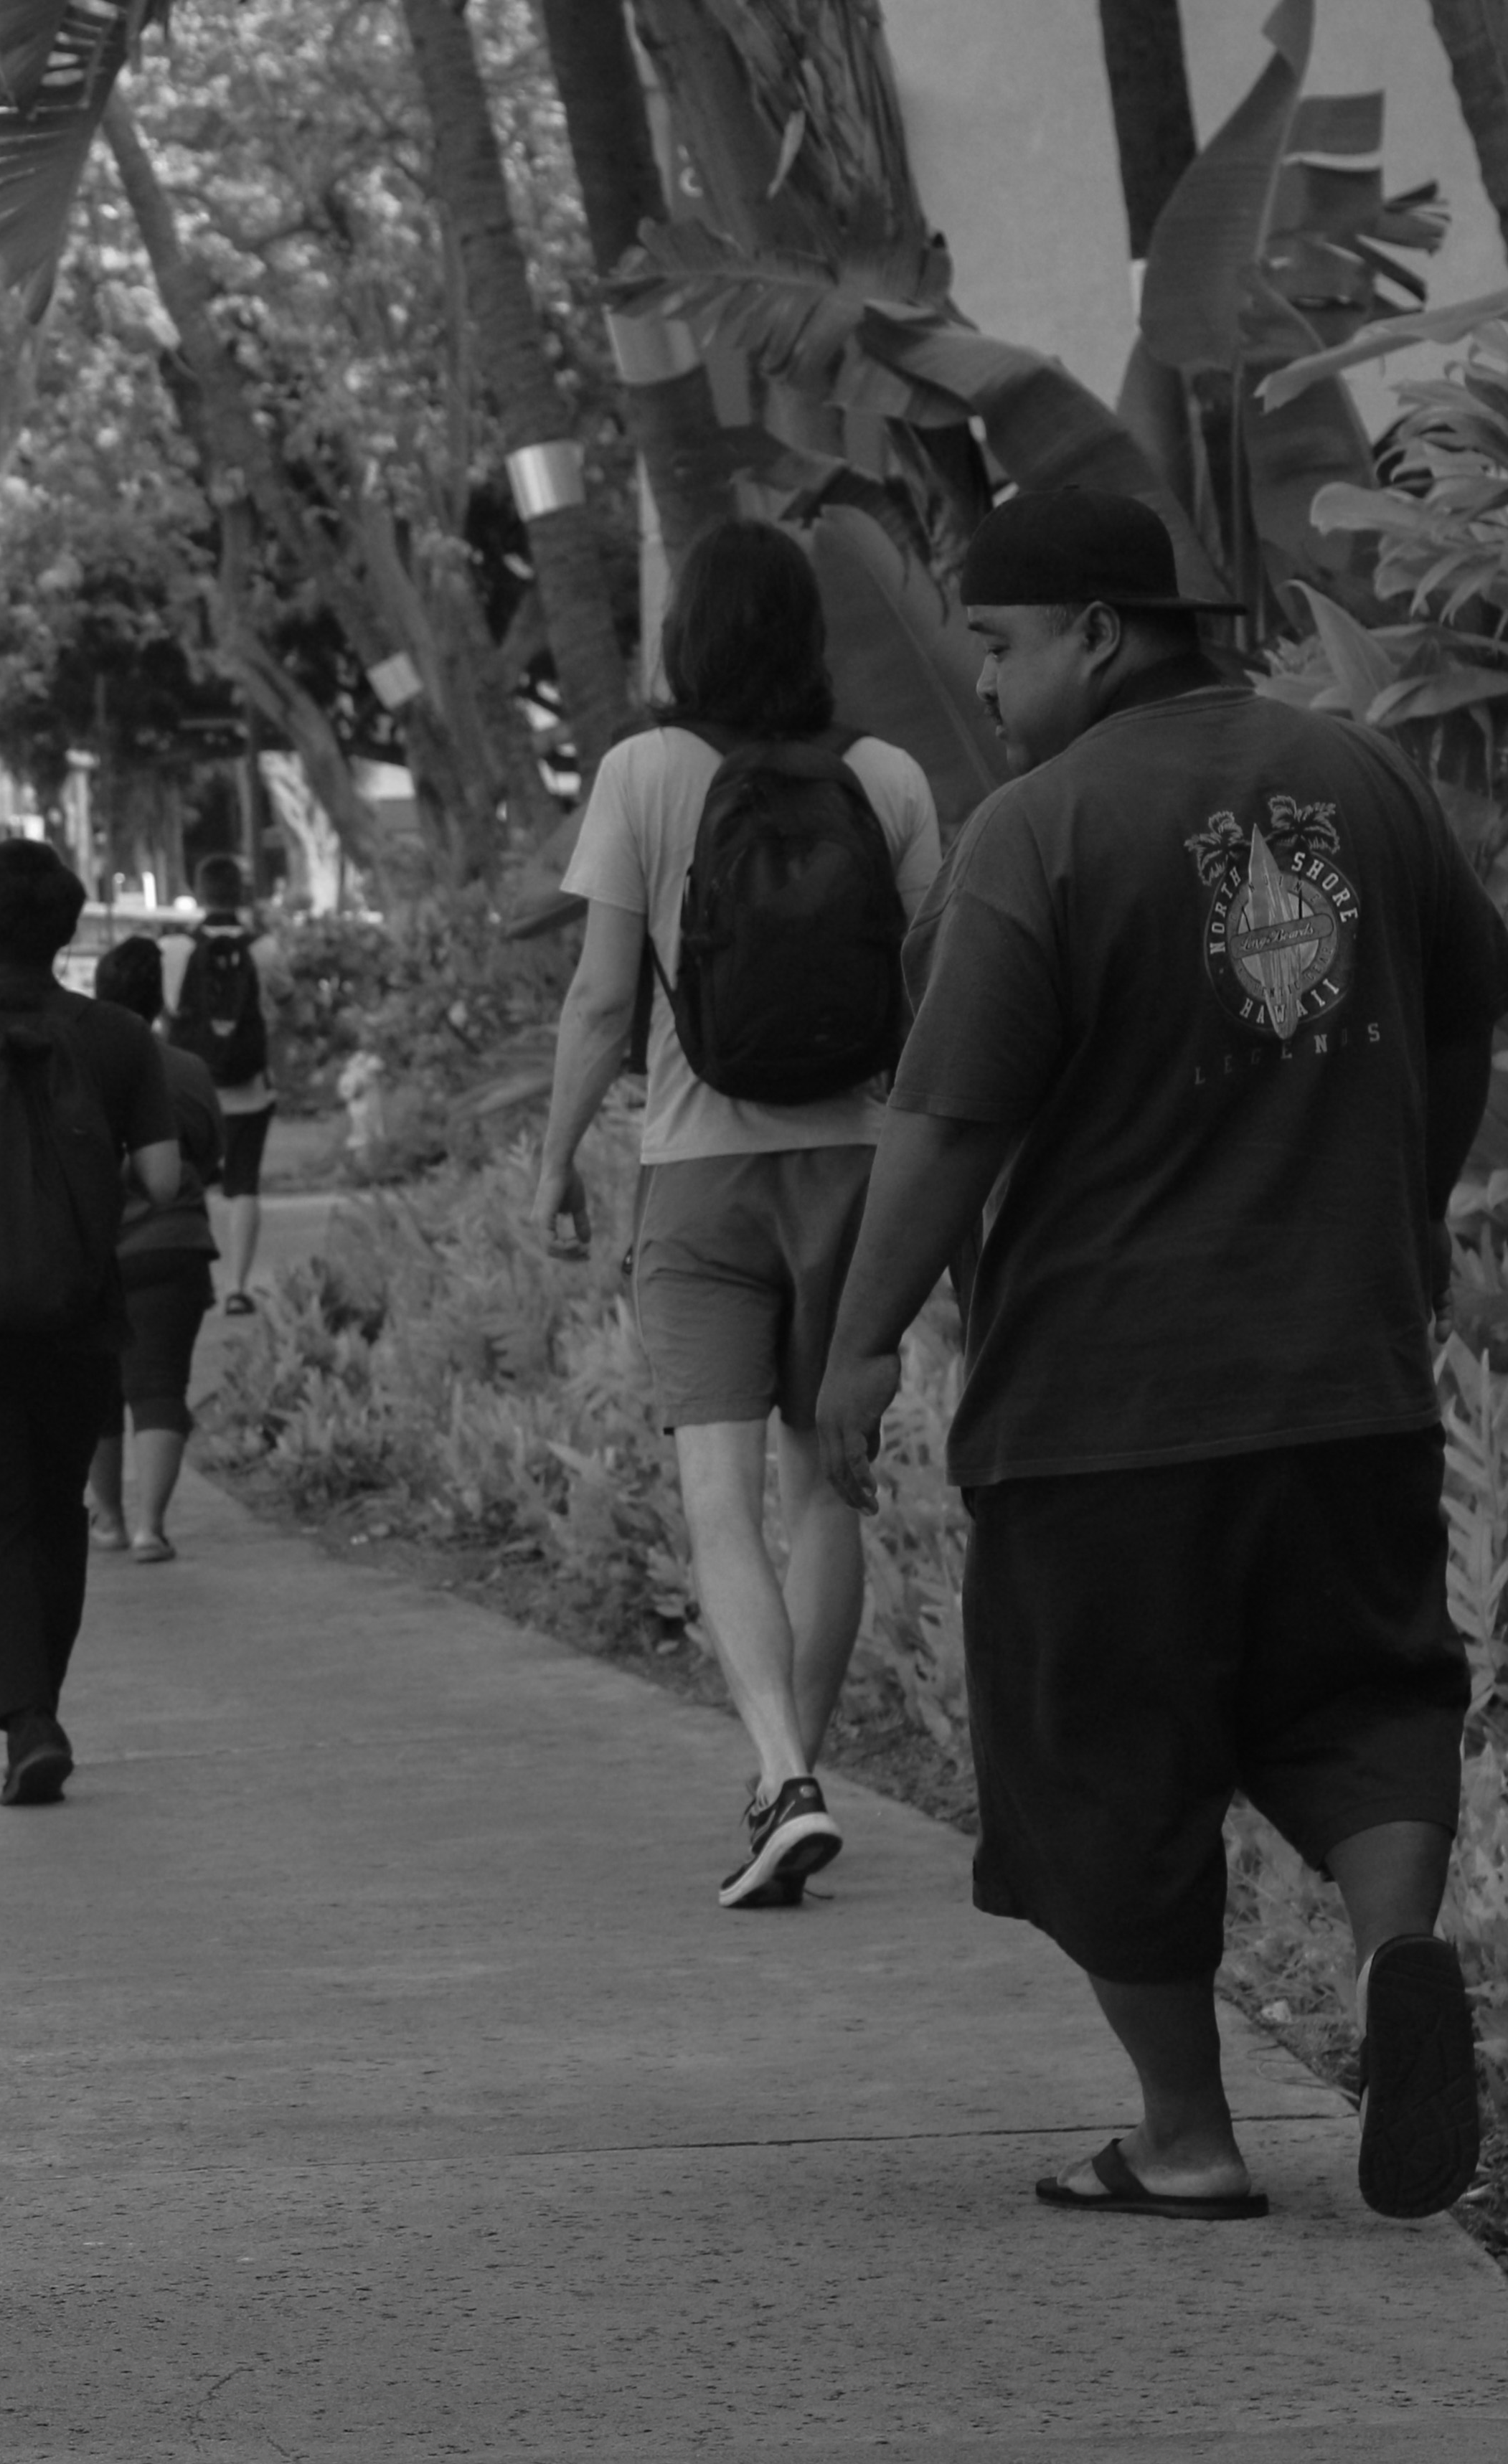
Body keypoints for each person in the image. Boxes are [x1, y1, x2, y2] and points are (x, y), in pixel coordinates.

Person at [819, 487, 1500, 2224]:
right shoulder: (1363, 782)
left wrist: (857, 1345)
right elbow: (1465, 1001)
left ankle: (1187, 2137)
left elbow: (945, 1126)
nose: (980, 678)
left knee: (1097, 1770)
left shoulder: (1038, 832)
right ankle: (1396, 1948)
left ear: (1101, 634)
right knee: (1362, 1693)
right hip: (1345, 1384)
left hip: (1102, 1414)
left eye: (999, 640)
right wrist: (1403, 1213)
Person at [531, 516, 947, 1910]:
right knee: (827, 1484)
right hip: (864, 1174)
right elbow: (939, 994)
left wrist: (553, 1168)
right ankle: (790, 1776)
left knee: (718, 1496)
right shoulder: (886, 777)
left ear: (684, 636)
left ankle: (784, 1772)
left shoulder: (643, 772)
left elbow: (601, 1001)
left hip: (701, 1177)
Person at [0, 841, 178, 1804]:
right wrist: (85, 1228)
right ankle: (42, 1707)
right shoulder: (114, 1038)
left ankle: (27, 1719)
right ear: (69, 927)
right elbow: (162, 1180)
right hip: (77, 1318)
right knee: (57, 1513)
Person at [85, 935, 221, 1563]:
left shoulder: (78, 1064)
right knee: (160, 1384)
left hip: (96, 1251)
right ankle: (150, 1527)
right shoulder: (187, 1069)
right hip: (174, 1243)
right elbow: (212, 1161)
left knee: (98, 1392)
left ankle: (107, 1520)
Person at [167, 854, 278, 1312]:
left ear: (199, 891)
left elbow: (167, 1009)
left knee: (185, 1184)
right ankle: (236, 1286)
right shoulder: (265, 949)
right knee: (243, 1184)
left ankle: (194, 1285)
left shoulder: (174, 948)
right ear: (242, 894)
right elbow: (283, 1000)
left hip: (189, 1089)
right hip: (251, 1089)